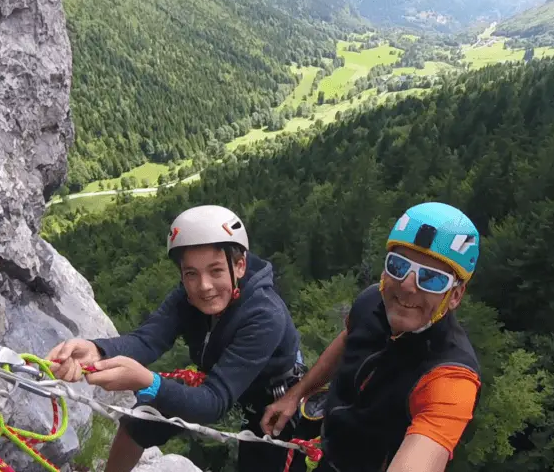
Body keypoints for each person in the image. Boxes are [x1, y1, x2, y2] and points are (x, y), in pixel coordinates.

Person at [46, 205, 308, 472]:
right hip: (220, 381)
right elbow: (148, 339)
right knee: (144, 418)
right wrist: (97, 350)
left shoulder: (264, 314)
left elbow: (213, 403)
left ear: (239, 265)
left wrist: (149, 381)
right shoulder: (187, 295)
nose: (204, 286)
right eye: (191, 273)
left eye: (216, 271)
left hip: (270, 400)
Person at [261, 202, 483, 472]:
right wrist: (295, 396)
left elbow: (424, 452)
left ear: (455, 296)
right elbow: (347, 341)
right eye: (398, 266)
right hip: (321, 448)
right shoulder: (370, 302)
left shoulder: (449, 376)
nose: (407, 285)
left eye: (432, 278)